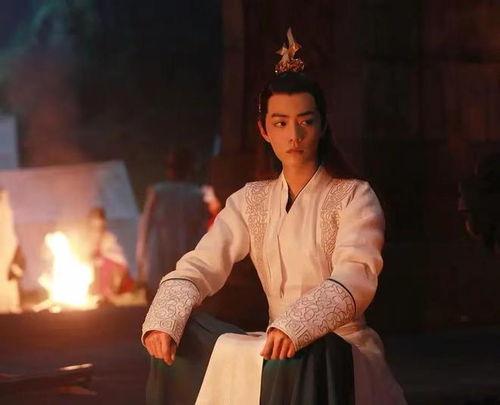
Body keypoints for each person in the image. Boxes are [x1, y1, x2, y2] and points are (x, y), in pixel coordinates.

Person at [142, 29, 406, 404]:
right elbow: (201, 265)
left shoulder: (354, 196)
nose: (294, 135)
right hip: (277, 343)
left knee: (309, 351)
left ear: (323, 125)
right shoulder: (251, 200)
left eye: (305, 121)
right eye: (281, 123)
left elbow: (356, 276)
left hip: (337, 348)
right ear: (264, 130)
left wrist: (296, 325)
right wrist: (164, 319)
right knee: (184, 329)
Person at [85, 207, 134, 302]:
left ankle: (106, 292)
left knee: (105, 264)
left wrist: (101, 257)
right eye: (94, 223)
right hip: (95, 270)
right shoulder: (88, 238)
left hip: (110, 269)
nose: (97, 226)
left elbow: (117, 257)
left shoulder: (109, 238)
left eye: (99, 223)